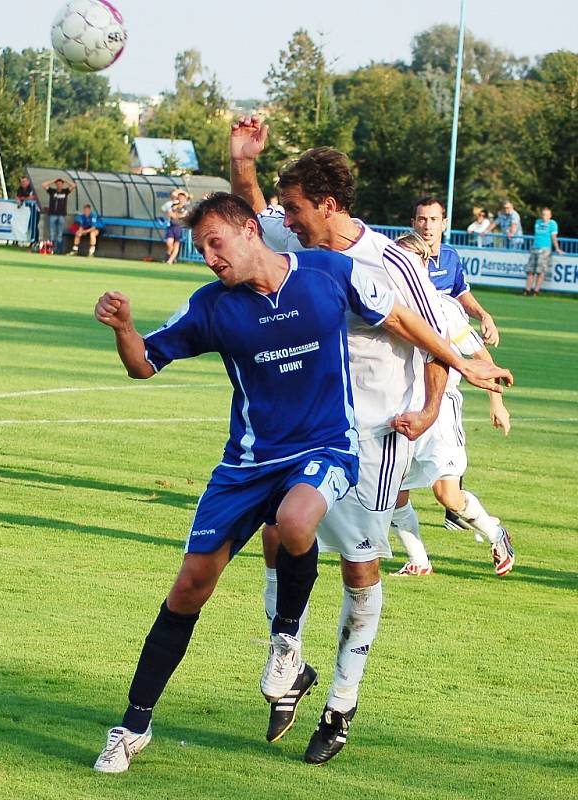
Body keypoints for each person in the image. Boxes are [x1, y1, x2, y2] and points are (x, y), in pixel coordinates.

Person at [92, 192, 512, 774]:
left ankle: (286, 643)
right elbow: (142, 364)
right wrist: (124, 326)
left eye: (215, 242)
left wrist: (466, 365)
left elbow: (403, 321)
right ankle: (132, 726)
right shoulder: (211, 307)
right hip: (247, 462)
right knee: (189, 586)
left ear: (248, 231)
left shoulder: (327, 274)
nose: (209, 257)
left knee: (294, 521)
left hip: (324, 446)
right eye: (200, 249)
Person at [230, 119, 513, 763]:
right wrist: (241, 162)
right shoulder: (295, 236)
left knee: (359, 567)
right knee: (278, 529)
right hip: (309, 429)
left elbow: (438, 340)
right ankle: (289, 657)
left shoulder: (392, 263)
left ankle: (341, 703)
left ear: (328, 204)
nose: (288, 219)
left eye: (297, 208)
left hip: (378, 436)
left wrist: (429, 405)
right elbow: (251, 220)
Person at [389, 232, 514, 579]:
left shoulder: (444, 308)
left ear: (422, 267)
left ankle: (495, 532)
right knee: (394, 491)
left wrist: (496, 403)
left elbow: (480, 356)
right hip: (403, 408)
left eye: (406, 264)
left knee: (448, 496)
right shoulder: (386, 307)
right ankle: (419, 560)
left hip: (441, 407)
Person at [411, 196, 500, 347]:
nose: (428, 226)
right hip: (419, 337)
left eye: (434, 219)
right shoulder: (403, 258)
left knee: (488, 366)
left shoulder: (450, 255)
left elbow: (460, 293)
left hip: (453, 328)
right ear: (413, 223)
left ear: (444, 224)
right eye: (422, 219)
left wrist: (484, 316)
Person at [524, 207, 563, 296]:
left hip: (545, 249)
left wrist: (557, 248)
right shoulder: (538, 222)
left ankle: (536, 291)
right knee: (530, 270)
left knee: (540, 271)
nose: (544, 217)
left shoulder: (552, 224)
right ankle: (527, 290)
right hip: (535, 248)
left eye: (546, 215)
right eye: (543, 214)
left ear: (550, 216)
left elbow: (553, 237)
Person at [42, 176, 76, 254]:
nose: (59, 185)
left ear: (63, 185)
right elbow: (44, 185)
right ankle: (52, 249)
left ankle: (59, 250)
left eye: (60, 184)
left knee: (60, 234)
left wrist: (66, 181)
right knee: (52, 233)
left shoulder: (65, 191)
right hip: (53, 214)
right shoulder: (52, 191)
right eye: (58, 184)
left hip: (62, 215)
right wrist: (53, 180)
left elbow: (73, 185)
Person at [161, 189, 190, 264]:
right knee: (169, 243)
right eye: (179, 197)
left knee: (176, 244)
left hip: (179, 227)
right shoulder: (174, 205)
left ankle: (170, 260)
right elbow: (169, 214)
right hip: (171, 226)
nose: (181, 199)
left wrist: (176, 216)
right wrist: (176, 215)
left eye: (182, 198)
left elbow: (183, 216)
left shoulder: (185, 207)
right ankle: (169, 254)